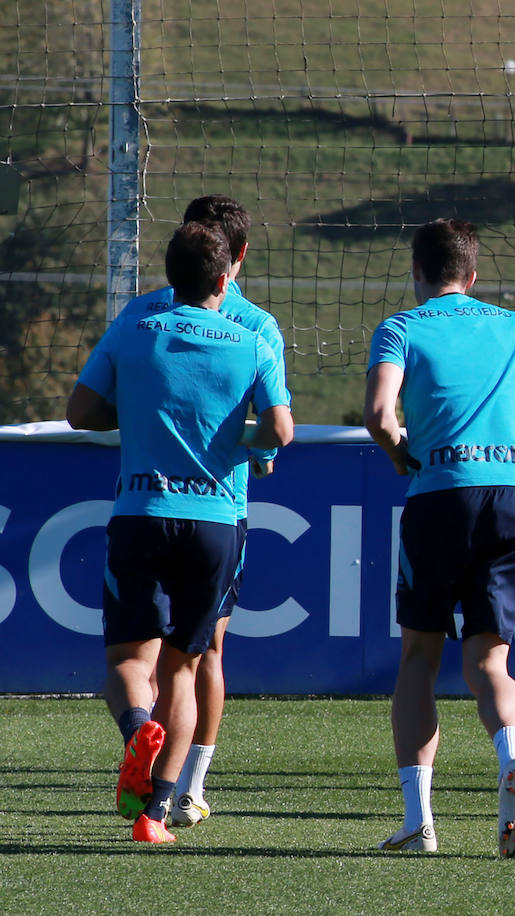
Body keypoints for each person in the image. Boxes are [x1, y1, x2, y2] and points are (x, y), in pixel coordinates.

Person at [364, 218, 515, 858]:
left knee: (418, 660)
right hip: (512, 495)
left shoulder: (402, 328)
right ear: (474, 274)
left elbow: (380, 416)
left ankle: (418, 823)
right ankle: (511, 761)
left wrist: (404, 454)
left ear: (417, 271)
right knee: (491, 662)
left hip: (439, 494)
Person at [67, 221, 293, 843]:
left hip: (141, 512)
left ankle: (138, 726)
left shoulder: (136, 328)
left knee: (128, 660)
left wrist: (143, 416)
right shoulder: (252, 341)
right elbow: (278, 432)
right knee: (185, 669)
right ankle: (155, 814)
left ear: (170, 277)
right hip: (216, 521)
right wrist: (227, 436)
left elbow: (80, 412)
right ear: (226, 278)